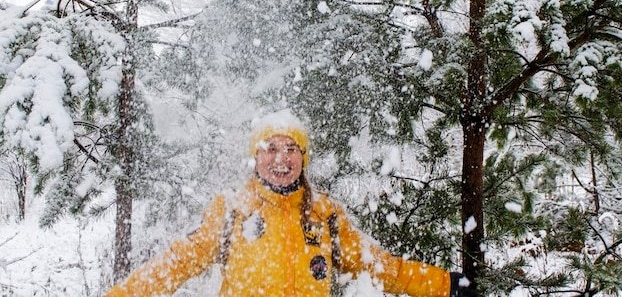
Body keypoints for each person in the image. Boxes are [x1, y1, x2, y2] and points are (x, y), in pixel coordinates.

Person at [103, 109, 477, 297]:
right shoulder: (233, 209)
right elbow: (177, 263)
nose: (281, 159)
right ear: (256, 156)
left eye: (291, 149)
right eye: (270, 148)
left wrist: (446, 285)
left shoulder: (324, 214)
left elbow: (380, 267)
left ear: (303, 157)